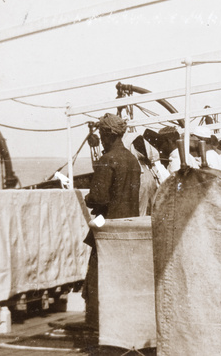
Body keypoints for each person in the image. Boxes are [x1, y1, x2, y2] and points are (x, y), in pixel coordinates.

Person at [83, 113, 141, 331]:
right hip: (129, 228)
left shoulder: (107, 160)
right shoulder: (132, 160)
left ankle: (98, 328)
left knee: (97, 280)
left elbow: (99, 198)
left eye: (101, 132)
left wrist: (88, 198)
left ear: (106, 133)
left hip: (107, 229)